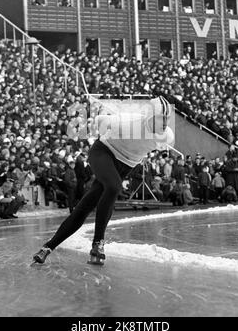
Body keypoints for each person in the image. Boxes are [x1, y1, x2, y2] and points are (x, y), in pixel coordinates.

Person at [33, 97, 174, 265]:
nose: (165, 122)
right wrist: (102, 129)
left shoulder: (167, 135)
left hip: (125, 165)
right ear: (149, 116)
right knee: (114, 187)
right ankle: (98, 243)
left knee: (86, 205)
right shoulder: (128, 122)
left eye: (167, 118)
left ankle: (48, 247)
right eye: (161, 117)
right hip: (103, 153)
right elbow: (100, 119)